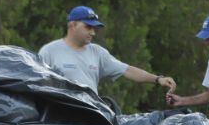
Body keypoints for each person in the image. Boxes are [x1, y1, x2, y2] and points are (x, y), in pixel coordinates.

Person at [39, 6, 176, 95]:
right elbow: (37, 85)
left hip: (89, 119)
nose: (93, 32)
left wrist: (158, 79)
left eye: (95, 29)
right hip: (58, 121)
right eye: (88, 27)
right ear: (72, 25)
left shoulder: (97, 53)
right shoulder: (49, 51)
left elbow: (127, 70)